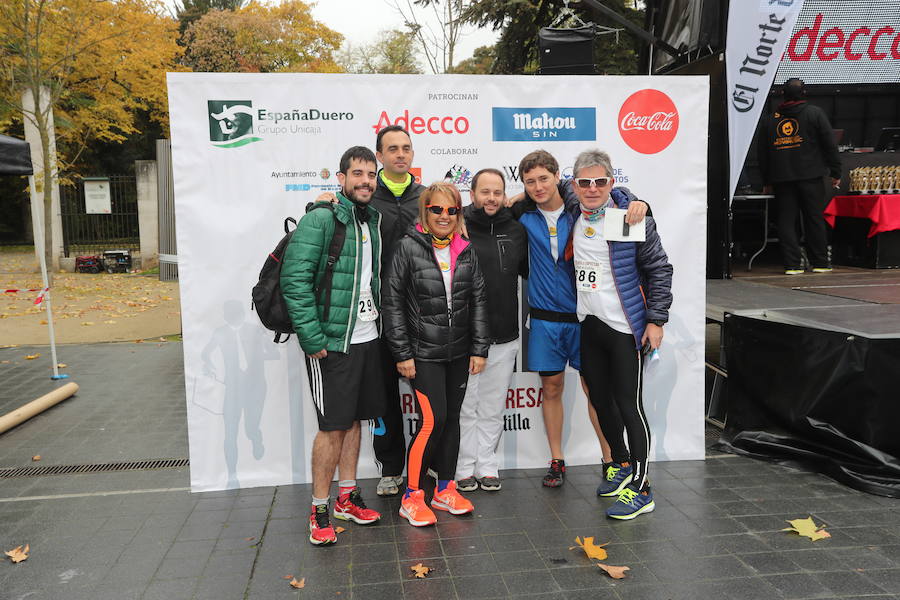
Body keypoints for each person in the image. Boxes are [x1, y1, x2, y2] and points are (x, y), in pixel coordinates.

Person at [511, 150, 648, 487]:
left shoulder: (579, 210)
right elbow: (491, 208)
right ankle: (557, 459)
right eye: (530, 181)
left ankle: (612, 460)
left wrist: (636, 202)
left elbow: (614, 197)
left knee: (596, 391)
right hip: (543, 319)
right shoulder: (522, 215)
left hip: (586, 318)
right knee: (551, 387)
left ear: (559, 177)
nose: (538, 186)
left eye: (544, 178)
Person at [280, 146, 385, 545]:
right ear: (340, 179)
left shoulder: (370, 220)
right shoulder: (320, 219)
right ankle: (319, 508)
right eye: (357, 174)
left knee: (355, 420)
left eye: (370, 174)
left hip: (366, 336)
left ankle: (347, 496)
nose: (365, 181)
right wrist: (311, 336)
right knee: (332, 427)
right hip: (331, 342)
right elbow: (295, 280)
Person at [568, 149, 673, 520]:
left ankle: (643, 489)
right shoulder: (573, 210)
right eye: (585, 182)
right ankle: (623, 465)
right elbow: (543, 191)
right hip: (590, 324)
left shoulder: (627, 216)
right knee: (600, 398)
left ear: (612, 182)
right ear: (575, 185)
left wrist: (656, 320)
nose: (592, 188)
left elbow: (660, 269)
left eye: (600, 181)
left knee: (630, 405)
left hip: (625, 327)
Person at [382, 181, 490, 527]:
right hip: (421, 353)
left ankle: (445, 488)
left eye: (451, 210)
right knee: (432, 421)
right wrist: (402, 353)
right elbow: (393, 303)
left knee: (452, 421)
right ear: (424, 212)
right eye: (436, 209)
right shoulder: (406, 247)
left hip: (458, 353)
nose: (444, 216)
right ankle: (412, 495)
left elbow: (478, 302)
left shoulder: (466, 249)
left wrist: (479, 348)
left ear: (458, 213)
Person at [455, 169, 527, 492]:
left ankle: (487, 464)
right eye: (485, 192)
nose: (491, 198)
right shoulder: (458, 225)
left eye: (497, 192)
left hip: (505, 335)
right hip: (466, 338)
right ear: (472, 194)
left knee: (493, 405)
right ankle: (463, 467)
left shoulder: (516, 228)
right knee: (466, 406)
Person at [758, 77, 841, 275]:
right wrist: (835, 171)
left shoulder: (770, 120)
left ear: (782, 94)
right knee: (814, 218)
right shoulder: (815, 114)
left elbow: (762, 153)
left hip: (782, 178)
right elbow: (830, 144)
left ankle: (792, 265)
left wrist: (766, 181)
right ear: (804, 93)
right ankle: (820, 262)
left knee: (787, 220)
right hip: (811, 176)